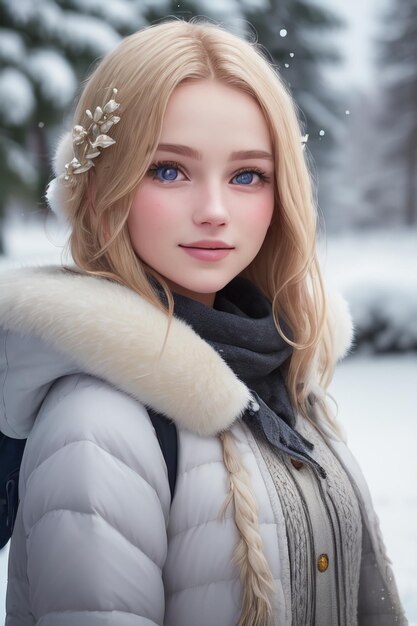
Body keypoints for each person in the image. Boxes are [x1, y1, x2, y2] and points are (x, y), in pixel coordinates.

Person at [0, 18, 407, 626]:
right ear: (101, 189)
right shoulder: (99, 420)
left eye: (248, 175)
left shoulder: (285, 375)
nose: (215, 211)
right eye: (168, 170)